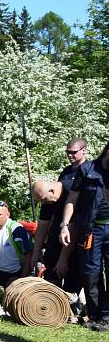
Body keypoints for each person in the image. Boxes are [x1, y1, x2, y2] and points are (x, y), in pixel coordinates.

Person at [31, 138, 91, 304]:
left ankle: (72, 304)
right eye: (68, 152)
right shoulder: (65, 174)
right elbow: (43, 223)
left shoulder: (89, 171)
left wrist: (63, 258)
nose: (70, 155)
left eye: (73, 152)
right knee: (51, 266)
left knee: (72, 271)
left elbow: (72, 225)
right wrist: (36, 253)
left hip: (79, 230)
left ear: (84, 150)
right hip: (59, 230)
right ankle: (50, 303)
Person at [59, 140, 109, 330]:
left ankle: (107, 316)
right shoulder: (87, 170)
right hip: (91, 230)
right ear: (106, 152)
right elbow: (72, 199)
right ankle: (95, 316)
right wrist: (64, 225)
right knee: (91, 273)